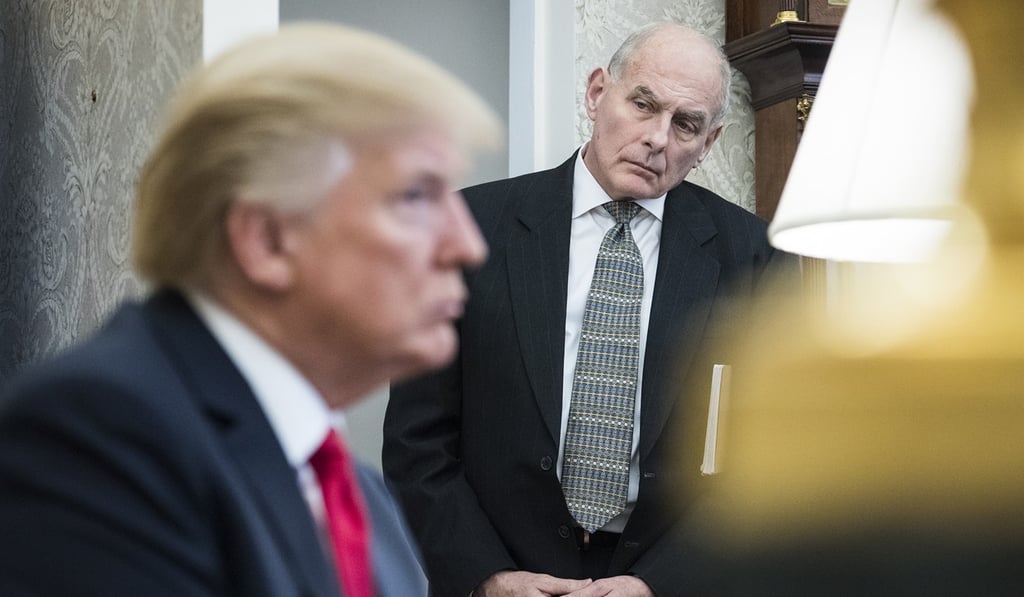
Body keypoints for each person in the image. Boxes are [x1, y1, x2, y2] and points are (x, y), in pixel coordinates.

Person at [0, 22, 501, 597]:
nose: (467, 245)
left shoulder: (357, 492)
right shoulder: (98, 435)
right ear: (267, 239)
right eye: (417, 196)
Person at [382, 22, 796, 597]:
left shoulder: (755, 258)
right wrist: (487, 578)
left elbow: (767, 464)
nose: (657, 138)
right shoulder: (469, 229)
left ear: (708, 143)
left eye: (686, 125)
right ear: (598, 92)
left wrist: (659, 585)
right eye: (643, 103)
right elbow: (417, 440)